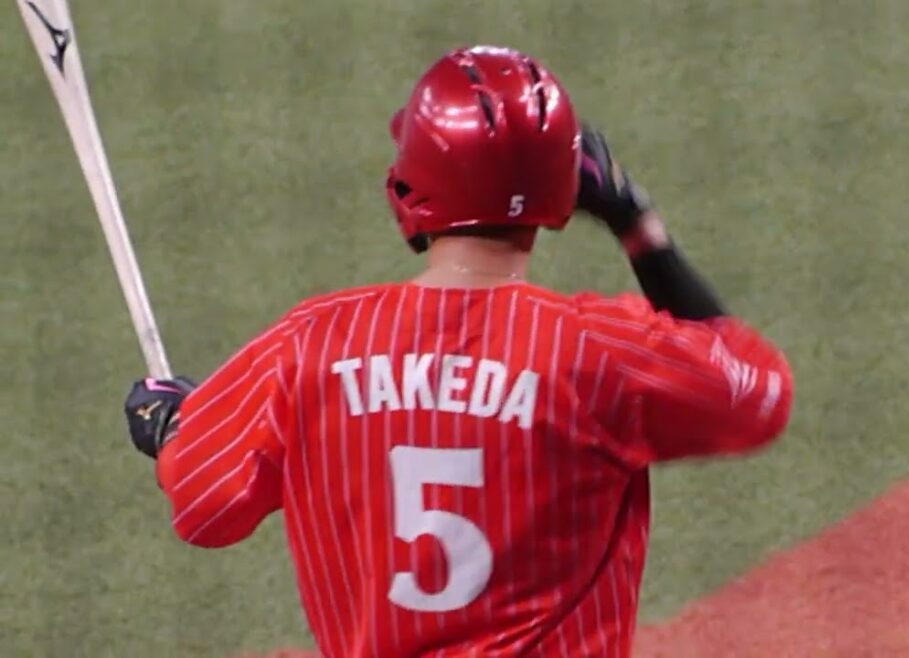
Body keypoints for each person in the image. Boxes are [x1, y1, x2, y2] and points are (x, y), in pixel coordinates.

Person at [123, 44, 794, 658]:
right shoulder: (599, 353)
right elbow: (757, 392)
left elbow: (205, 505)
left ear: (412, 182)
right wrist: (637, 225)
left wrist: (175, 424)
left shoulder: (310, 344)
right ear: (567, 188)